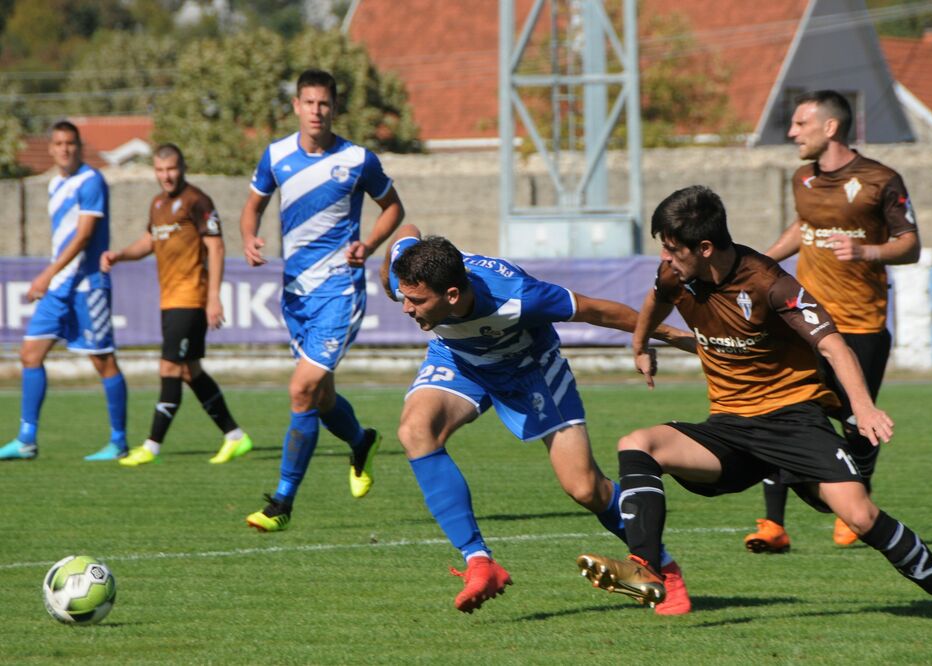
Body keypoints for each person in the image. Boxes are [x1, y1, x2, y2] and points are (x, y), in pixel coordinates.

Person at [576, 185, 932, 626]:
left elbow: (832, 344)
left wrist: (864, 407)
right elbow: (656, 299)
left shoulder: (769, 283)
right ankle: (645, 566)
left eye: (672, 249)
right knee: (637, 443)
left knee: (860, 515)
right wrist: (641, 343)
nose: (665, 257)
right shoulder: (675, 274)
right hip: (730, 429)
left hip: (794, 421)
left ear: (705, 247)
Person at [381, 224, 697, 614]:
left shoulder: (519, 297)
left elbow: (597, 310)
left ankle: (663, 568)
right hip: (462, 363)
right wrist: (388, 275)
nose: (406, 308)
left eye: (416, 301)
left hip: (532, 372)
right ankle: (479, 562)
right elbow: (407, 230)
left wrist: (670, 338)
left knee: (585, 489)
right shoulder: (412, 273)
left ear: (452, 294)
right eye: (404, 296)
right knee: (415, 432)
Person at [744, 90, 922, 552]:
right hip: (805, 321)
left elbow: (910, 244)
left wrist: (868, 250)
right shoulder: (802, 178)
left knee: (858, 422)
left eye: (800, 123)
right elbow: (804, 228)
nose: (791, 133)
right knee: (781, 411)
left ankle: (856, 508)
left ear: (830, 127)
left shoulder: (880, 179)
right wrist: (759, 265)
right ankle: (772, 525)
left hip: (861, 325)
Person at [239, 69, 404, 531]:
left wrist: (368, 245)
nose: (316, 111)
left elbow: (393, 207)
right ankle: (361, 441)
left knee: (302, 389)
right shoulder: (276, 156)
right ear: (296, 106)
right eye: (309, 103)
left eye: (324, 103)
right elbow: (252, 206)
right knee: (323, 396)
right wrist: (249, 237)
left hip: (339, 292)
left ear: (334, 107)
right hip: (296, 295)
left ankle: (282, 501)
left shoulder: (357, 159)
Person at [101, 143, 252, 466]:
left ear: (182, 168)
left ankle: (151, 446)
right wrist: (120, 255)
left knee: (169, 368)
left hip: (191, 297)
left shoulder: (197, 200)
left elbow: (216, 248)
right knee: (189, 370)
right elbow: (149, 241)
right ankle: (235, 435)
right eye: (160, 170)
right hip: (170, 299)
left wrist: (213, 297)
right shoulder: (158, 203)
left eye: (171, 169)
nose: (166, 176)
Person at [0, 121, 129, 462]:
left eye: (70, 143)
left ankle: (118, 441)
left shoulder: (91, 181)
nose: (64, 149)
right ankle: (26, 439)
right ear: (51, 148)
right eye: (58, 143)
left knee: (102, 361)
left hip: (88, 286)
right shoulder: (55, 183)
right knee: (30, 355)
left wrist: (47, 274)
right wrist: (53, 278)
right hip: (59, 288)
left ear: (79, 146)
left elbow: (84, 236)